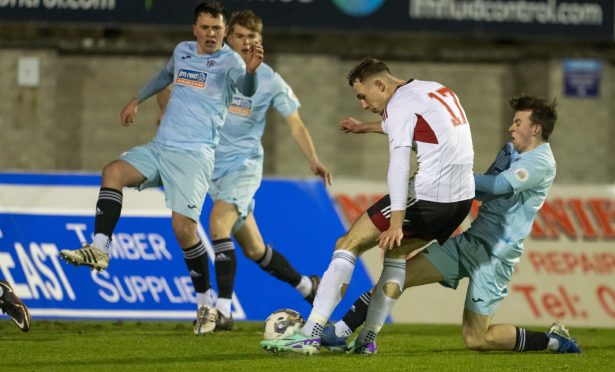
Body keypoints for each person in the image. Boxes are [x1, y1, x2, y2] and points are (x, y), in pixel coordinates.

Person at [59, 1, 264, 336]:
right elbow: (165, 75)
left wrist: (252, 70)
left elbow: (245, 88)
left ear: (225, 31)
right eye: (205, 27)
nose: (211, 34)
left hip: (194, 156)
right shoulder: (182, 51)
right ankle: (99, 248)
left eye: (217, 28)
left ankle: (204, 303)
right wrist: (136, 99)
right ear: (194, 28)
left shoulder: (231, 62)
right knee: (113, 172)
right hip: (161, 147)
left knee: (184, 230)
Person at [321, 95, 581, 354]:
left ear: (535, 128)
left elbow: (498, 186)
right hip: (469, 243)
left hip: (496, 257)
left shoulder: (541, 162)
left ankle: (553, 341)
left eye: (518, 122)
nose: (511, 128)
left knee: (477, 339)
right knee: (399, 276)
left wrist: (451, 171)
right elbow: (481, 192)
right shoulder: (509, 151)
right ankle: (343, 331)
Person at [261, 57, 475, 354]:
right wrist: (365, 127)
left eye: (362, 96)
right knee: (396, 256)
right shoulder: (432, 89)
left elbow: (398, 166)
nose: (362, 103)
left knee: (348, 243)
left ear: (380, 84)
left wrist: (397, 221)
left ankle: (310, 334)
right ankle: (367, 339)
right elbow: (420, 128)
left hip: (428, 196)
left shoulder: (399, 104)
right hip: (460, 201)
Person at [157, 10, 331, 331]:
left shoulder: (269, 80)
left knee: (217, 225)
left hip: (244, 167)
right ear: (228, 38)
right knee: (255, 250)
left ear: (260, 42)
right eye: (240, 36)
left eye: (253, 37)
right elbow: (168, 88)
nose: (247, 42)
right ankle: (309, 286)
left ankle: (222, 312)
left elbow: (295, 124)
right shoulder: (211, 65)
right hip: (211, 168)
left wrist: (314, 159)